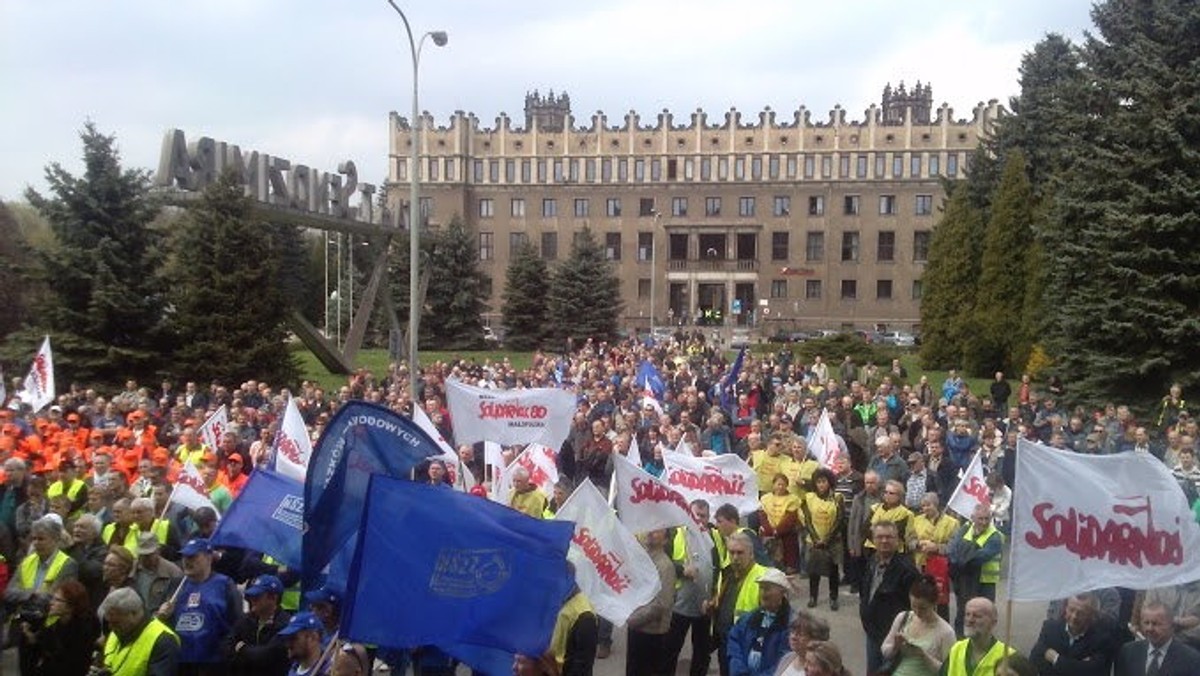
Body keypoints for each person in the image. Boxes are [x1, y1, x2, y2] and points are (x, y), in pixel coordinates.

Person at [6, 515, 80, 675]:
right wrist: (32, 594)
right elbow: (9, 593)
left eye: (41, 539)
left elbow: (54, 598)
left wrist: (25, 596)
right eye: (34, 539)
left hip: (50, 628)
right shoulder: (27, 561)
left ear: (55, 540)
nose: (36, 543)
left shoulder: (67, 564)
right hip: (25, 624)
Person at [159, 538, 244, 676]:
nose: (187, 561)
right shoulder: (175, 586)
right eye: (184, 556)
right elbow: (163, 623)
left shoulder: (224, 585)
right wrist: (162, 617)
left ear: (209, 557)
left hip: (213, 663)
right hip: (181, 662)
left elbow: (237, 622)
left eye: (192, 556)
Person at [665, 500, 718, 676]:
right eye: (696, 515)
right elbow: (661, 562)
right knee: (671, 649)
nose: (700, 520)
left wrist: (715, 596)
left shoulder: (715, 537)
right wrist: (682, 569)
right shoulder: (676, 533)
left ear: (708, 517)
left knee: (702, 653)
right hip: (678, 605)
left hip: (704, 606)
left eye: (703, 516)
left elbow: (720, 568)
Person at [859, 520, 920, 675]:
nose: (884, 541)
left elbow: (916, 607)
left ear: (897, 540)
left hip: (893, 636)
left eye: (889, 537)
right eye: (879, 537)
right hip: (872, 633)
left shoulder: (907, 570)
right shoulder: (872, 561)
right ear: (873, 539)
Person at [715, 532, 770, 676]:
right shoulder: (726, 573)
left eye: (740, 553)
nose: (735, 557)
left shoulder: (763, 578)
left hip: (748, 646)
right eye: (731, 552)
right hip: (726, 642)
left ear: (751, 554)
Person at [20, 578, 100, 675]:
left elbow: (66, 665)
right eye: (53, 598)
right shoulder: (57, 624)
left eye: (57, 600)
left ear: (71, 606)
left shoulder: (83, 631)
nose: (51, 603)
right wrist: (30, 638)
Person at [881, 575, 955, 676]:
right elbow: (884, 650)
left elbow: (949, 671)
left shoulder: (946, 632)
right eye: (913, 606)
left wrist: (923, 655)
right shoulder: (903, 618)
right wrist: (895, 646)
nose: (917, 612)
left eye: (923, 608)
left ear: (934, 604)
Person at [625, 528, 676, 676]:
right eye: (651, 528)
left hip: (652, 631)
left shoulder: (665, 566)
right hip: (637, 627)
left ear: (665, 540)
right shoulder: (644, 559)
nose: (651, 532)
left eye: (658, 531)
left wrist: (634, 619)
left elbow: (661, 604)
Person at [99, 586, 181, 676]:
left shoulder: (163, 640)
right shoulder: (117, 632)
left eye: (116, 623)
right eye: (109, 622)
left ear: (133, 614)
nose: (111, 627)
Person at [1030, 592, 1118, 676]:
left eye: (1081, 613)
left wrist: (1055, 658)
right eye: (1071, 610)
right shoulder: (1049, 628)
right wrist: (1079, 666)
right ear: (1065, 608)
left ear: (1091, 615)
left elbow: (1095, 672)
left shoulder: (1103, 640)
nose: (1074, 617)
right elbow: (1034, 660)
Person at [947, 504, 1003, 636]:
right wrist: (969, 552)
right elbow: (952, 550)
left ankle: (982, 643)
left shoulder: (995, 536)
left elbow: (978, 559)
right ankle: (960, 642)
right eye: (980, 519)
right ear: (973, 518)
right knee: (963, 613)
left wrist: (963, 554)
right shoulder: (965, 528)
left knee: (984, 616)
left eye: (987, 519)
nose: (984, 522)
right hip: (965, 581)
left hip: (985, 583)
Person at [726, 568, 792, 676]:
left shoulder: (790, 625)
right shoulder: (748, 618)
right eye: (761, 588)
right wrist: (739, 671)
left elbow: (784, 661)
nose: (763, 593)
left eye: (767, 589)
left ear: (782, 592)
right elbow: (734, 642)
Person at [224, 574, 291, 676]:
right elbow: (227, 647)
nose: (252, 600)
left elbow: (266, 656)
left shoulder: (285, 624)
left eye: (257, 597)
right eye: (251, 596)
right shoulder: (245, 620)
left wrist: (241, 648)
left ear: (273, 598)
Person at [907, 493, 958, 620]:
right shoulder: (916, 520)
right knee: (922, 596)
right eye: (923, 506)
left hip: (940, 566)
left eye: (928, 505)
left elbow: (954, 546)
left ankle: (942, 625)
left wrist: (936, 547)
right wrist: (918, 544)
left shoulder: (952, 523)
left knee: (940, 599)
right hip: (921, 565)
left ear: (936, 505)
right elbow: (909, 541)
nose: (925, 508)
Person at [1114, 601, 1200, 676]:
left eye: (1156, 624)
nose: (1150, 628)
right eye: (1146, 623)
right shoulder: (1128, 651)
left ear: (1172, 626)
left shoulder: (1190, 659)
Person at [800, 467, 843, 610]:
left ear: (829, 482)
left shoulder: (837, 498)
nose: (821, 485)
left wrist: (827, 539)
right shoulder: (809, 497)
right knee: (814, 570)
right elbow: (807, 520)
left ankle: (833, 597)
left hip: (832, 541)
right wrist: (816, 538)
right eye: (818, 482)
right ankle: (813, 597)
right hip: (814, 541)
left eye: (824, 481)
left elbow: (840, 519)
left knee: (833, 570)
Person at [939, 598, 1014, 676]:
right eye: (967, 614)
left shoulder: (1008, 657)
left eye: (977, 616)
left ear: (993, 623)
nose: (970, 620)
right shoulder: (957, 649)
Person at [759, 474, 802, 573]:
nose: (781, 487)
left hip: (786, 534)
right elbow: (762, 515)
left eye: (783, 484)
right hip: (768, 534)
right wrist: (769, 530)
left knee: (788, 566)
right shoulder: (765, 498)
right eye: (778, 484)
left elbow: (790, 518)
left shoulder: (793, 499)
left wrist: (777, 531)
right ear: (773, 484)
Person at [134, 533, 182, 618]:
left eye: (149, 555)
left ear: (158, 551)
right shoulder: (132, 570)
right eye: (142, 555)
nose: (145, 558)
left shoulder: (173, 572)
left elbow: (176, 604)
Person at [771, 610, 830, 675]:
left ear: (815, 639)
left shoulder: (819, 669)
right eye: (792, 632)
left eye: (800, 634)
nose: (793, 637)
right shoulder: (787, 658)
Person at [278, 611, 329, 676]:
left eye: (293, 638)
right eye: (286, 639)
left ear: (313, 637)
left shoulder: (330, 671)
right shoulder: (293, 669)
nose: (287, 644)